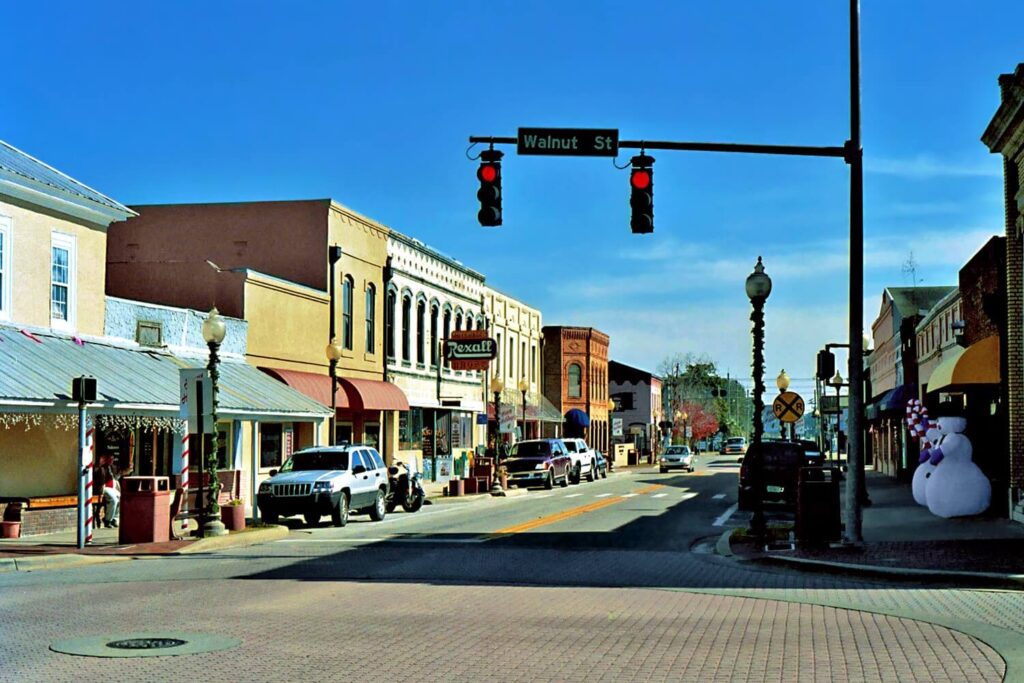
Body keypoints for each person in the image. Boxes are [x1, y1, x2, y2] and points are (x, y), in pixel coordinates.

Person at [101, 464, 121, 528]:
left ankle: (115, 519)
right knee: (114, 500)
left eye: (112, 459)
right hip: (105, 488)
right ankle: (108, 520)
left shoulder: (113, 467)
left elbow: (116, 477)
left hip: (113, 488)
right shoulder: (102, 468)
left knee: (121, 498)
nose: (111, 460)